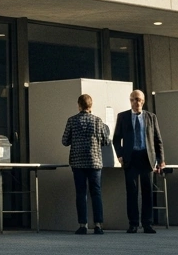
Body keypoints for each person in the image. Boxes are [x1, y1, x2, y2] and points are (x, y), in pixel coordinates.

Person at [113, 90, 165, 234]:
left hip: (146, 157)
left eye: (138, 99)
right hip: (131, 158)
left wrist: (161, 160)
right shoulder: (123, 117)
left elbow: (157, 140)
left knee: (147, 191)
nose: (136, 102)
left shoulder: (151, 117)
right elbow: (116, 139)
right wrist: (120, 155)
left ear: (143, 101)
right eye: (133, 100)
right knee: (132, 191)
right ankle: (133, 223)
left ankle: (147, 223)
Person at [61, 94, 112, 235]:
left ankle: (83, 225)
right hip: (94, 162)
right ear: (91, 105)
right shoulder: (97, 121)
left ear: (79, 105)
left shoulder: (72, 121)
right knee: (96, 193)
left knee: (81, 193)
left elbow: (65, 141)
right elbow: (106, 141)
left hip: (77, 163)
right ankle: (98, 225)